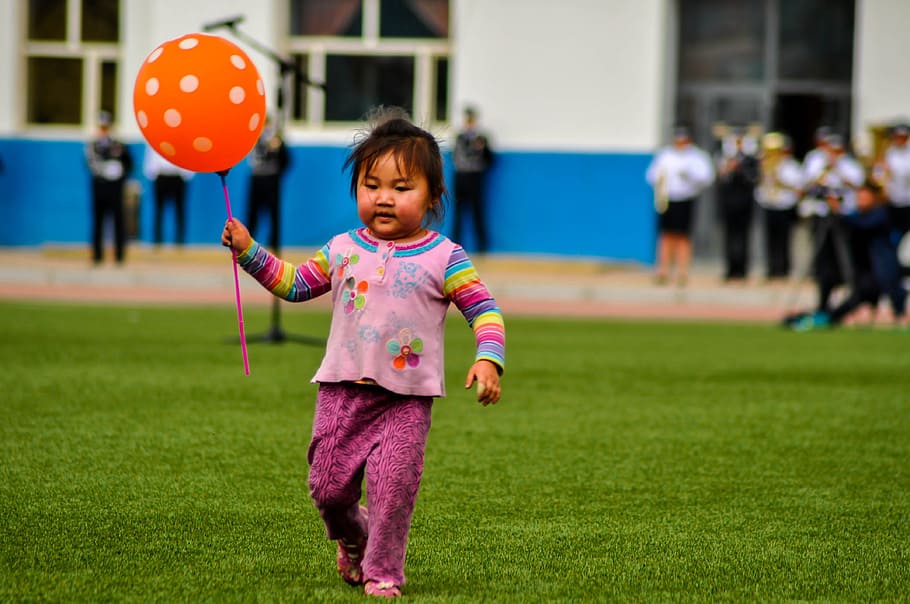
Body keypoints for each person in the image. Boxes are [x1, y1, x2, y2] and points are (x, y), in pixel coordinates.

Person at [221, 106, 505, 598]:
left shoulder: (446, 256)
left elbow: (484, 309)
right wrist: (250, 251)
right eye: (372, 185)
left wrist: (487, 357)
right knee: (328, 490)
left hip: (407, 402)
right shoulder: (342, 248)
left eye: (402, 187)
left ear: (434, 196)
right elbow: (293, 284)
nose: (385, 198)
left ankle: (383, 572)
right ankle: (353, 537)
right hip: (340, 394)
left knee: (393, 490)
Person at [792, 179, 907, 330]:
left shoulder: (880, 214)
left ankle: (830, 317)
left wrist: (839, 211)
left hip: (880, 271)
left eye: (864, 197)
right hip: (862, 269)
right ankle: (824, 313)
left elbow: (862, 224)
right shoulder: (857, 214)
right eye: (859, 198)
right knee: (829, 277)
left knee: (866, 293)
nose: (861, 201)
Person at [798, 133, 865, 317]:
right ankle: (823, 303)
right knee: (822, 262)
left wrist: (839, 171)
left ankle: (846, 304)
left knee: (844, 261)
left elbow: (858, 185)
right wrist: (824, 173)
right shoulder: (816, 161)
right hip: (821, 214)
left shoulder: (849, 165)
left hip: (844, 216)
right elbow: (806, 185)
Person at [645, 125, 715, 286]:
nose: (680, 143)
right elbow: (651, 175)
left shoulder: (697, 156)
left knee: (683, 236)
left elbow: (707, 177)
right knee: (666, 235)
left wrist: (690, 177)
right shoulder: (665, 155)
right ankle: (663, 270)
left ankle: (682, 272)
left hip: (686, 198)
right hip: (667, 198)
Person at [85, 110, 133, 265]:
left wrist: (120, 173)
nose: (104, 130)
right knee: (98, 222)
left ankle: (119, 256)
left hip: (115, 188)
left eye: (106, 126)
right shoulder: (93, 145)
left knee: (118, 222)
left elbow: (129, 164)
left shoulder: (119, 144)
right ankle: (97, 256)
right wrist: (105, 170)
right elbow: (89, 163)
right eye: (101, 127)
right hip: (99, 187)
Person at [755, 133, 803, 280]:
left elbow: (797, 186)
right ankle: (772, 268)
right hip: (769, 204)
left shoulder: (791, 165)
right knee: (770, 239)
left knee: (784, 238)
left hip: (784, 205)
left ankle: (784, 269)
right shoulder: (765, 165)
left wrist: (779, 180)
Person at [715, 127, 760, 282]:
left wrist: (741, 168)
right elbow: (721, 179)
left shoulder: (751, 159)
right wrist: (729, 168)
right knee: (729, 236)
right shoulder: (725, 158)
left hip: (745, 203)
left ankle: (742, 269)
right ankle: (730, 268)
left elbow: (753, 179)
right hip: (729, 203)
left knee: (744, 236)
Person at [452, 106, 494, 253]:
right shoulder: (460, 138)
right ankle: (455, 244)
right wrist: (474, 149)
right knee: (458, 213)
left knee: (478, 213)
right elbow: (459, 157)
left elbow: (489, 159)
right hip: (461, 178)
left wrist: (481, 149)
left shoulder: (482, 139)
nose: (469, 123)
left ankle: (481, 246)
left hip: (476, 179)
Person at [246, 115, 290, 251]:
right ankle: (247, 246)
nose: (265, 128)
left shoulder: (276, 139)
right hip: (257, 178)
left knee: (274, 214)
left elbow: (287, 160)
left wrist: (278, 147)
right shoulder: (254, 138)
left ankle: (275, 245)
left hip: (272, 179)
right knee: (252, 214)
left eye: (267, 124)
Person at [143, 145, 194, 247]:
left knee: (179, 210)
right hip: (161, 176)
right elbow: (150, 160)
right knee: (159, 209)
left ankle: (180, 241)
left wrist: (186, 175)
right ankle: (157, 240)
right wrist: (153, 175)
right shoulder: (155, 141)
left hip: (178, 177)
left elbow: (189, 157)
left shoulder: (183, 141)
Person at [878, 123, 910, 275]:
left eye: (903, 137)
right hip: (892, 203)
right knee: (892, 241)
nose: (899, 140)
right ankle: (892, 271)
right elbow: (879, 177)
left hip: (907, 203)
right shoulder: (888, 153)